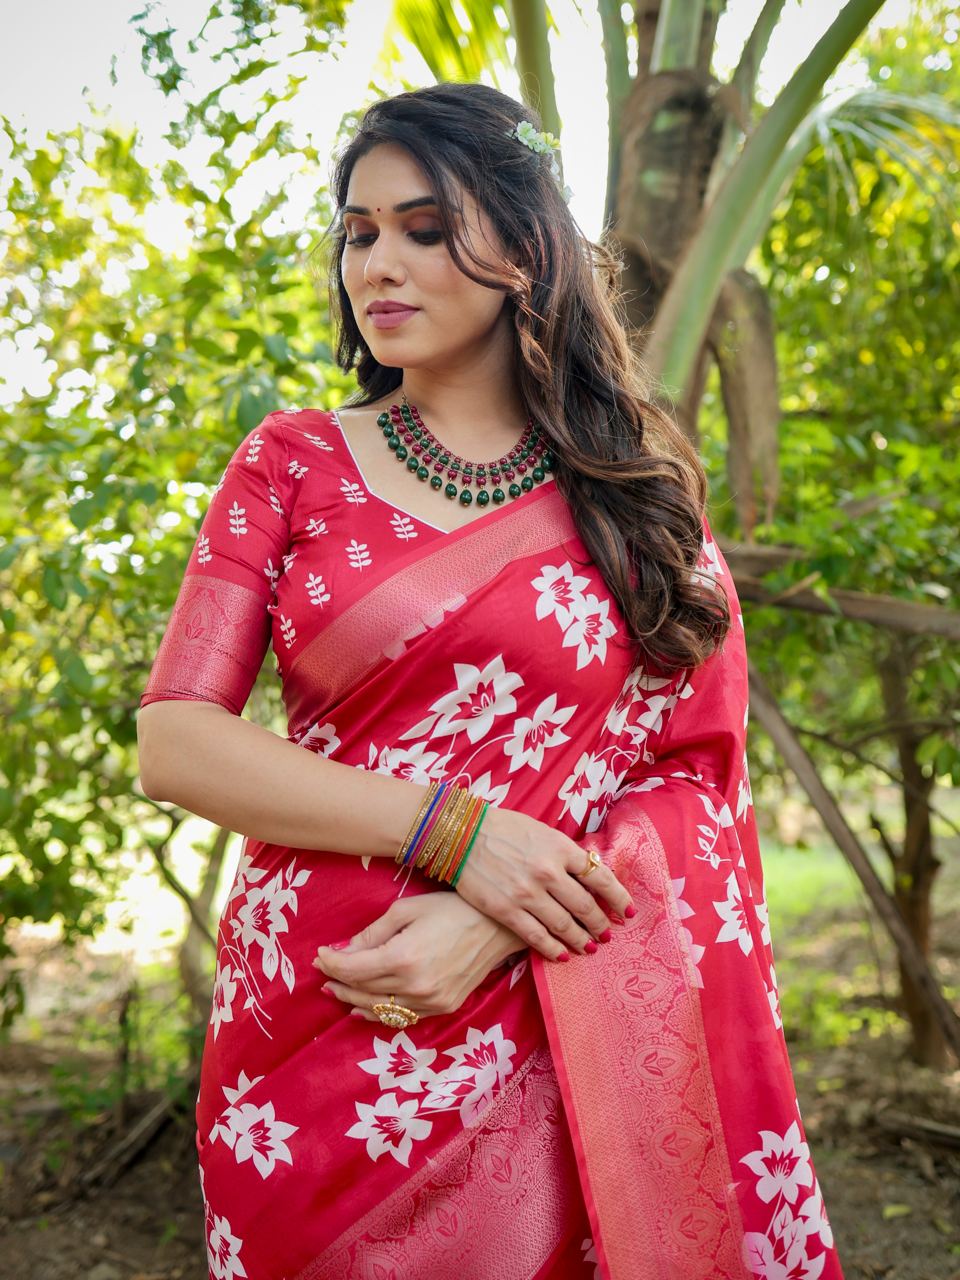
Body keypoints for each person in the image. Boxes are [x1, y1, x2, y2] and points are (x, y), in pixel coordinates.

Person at [137, 81, 843, 1280]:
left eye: (423, 227)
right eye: (358, 232)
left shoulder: (637, 496)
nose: (378, 263)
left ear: (522, 249)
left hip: (553, 1021)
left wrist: (499, 918)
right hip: (319, 1026)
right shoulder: (293, 462)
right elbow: (176, 740)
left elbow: (691, 781)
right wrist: (457, 833)